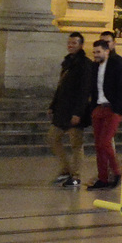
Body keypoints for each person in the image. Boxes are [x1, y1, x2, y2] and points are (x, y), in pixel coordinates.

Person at [86, 36, 122, 191]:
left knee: (105, 142)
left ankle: (117, 171)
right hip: (98, 107)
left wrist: (118, 107)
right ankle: (103, 178)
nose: (95, 55)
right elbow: (92, 87)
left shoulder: (118, 63)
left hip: (113, 108)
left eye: (98, 52)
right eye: (94, 52)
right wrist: (93, 107)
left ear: (107, 51)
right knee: (98, 145)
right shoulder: (94, 67)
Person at [49, 31, 94, 187]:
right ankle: (66, 169)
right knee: (53, 138)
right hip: (62, 108)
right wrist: (53, 105)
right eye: (69, 42)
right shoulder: (67, 62)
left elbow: (84, 91)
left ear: (81, 45)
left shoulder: (85, 64)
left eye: (74, 43)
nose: (70, 45)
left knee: (76, 144)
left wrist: (78, 112)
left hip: (75, 110)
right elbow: (61, 86)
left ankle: (76, 175)